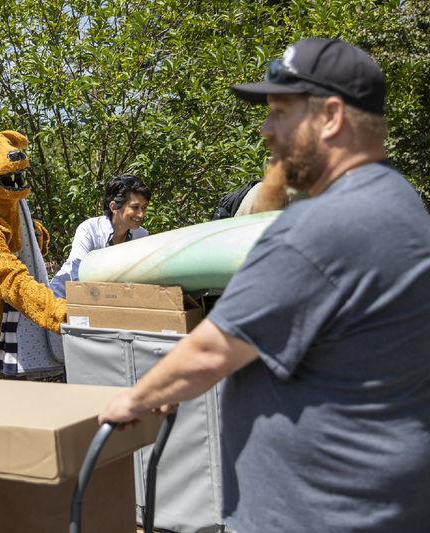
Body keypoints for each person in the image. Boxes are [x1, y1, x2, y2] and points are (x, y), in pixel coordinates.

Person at [99, 38, 430, 532]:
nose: (266, 131)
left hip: (313, 513)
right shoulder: (402, 204)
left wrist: (136, 398)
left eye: (279, 113)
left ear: (332, 117)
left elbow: (212, 352)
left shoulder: (318, 230)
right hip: (384, 501)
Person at [50, 175, 151, 297]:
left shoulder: (141, 236)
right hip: (64, 297)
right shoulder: (89, 230)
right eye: (135, 207)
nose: (141, 214)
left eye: (144, 208)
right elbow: (76, 273)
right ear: (114, 207)